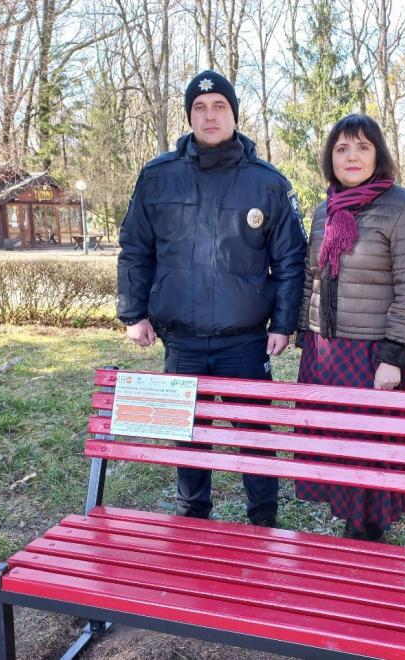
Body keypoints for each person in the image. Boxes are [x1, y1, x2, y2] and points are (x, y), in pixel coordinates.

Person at [116, 70, 307, 528]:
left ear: (234, 115)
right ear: (189, 116)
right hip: (180, 339)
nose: (209, 115)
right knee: (188, 434)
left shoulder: (267, 183)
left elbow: (290, 259)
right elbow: (136, 247)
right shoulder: (158, 177)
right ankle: (192, 516)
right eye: (199, 108)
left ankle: (263, 521)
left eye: (219, 106)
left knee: (254, 436)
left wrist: (282, 323)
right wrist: (134, 312)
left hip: (244, 341)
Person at [295, 114, 405, 541]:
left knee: (369, 453)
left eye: (362, 147)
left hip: (373, 354)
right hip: (326, 350)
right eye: (341, 148)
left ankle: (367, 538)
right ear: (329, 158)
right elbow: (309, 277)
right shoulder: (324, 210)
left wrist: (394, 355)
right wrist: (305, 333)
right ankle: (349, 527)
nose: (351, 156)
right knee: (337, 446)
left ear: (379, 154)